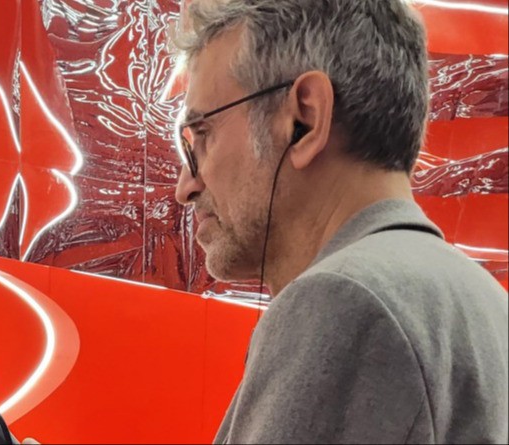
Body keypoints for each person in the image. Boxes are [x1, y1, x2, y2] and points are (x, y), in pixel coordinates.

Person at [173, 0, 509, 443]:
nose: (185, 187)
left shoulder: (346, 300)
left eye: (202, 134)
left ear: (305, 119)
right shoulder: (485, 303)